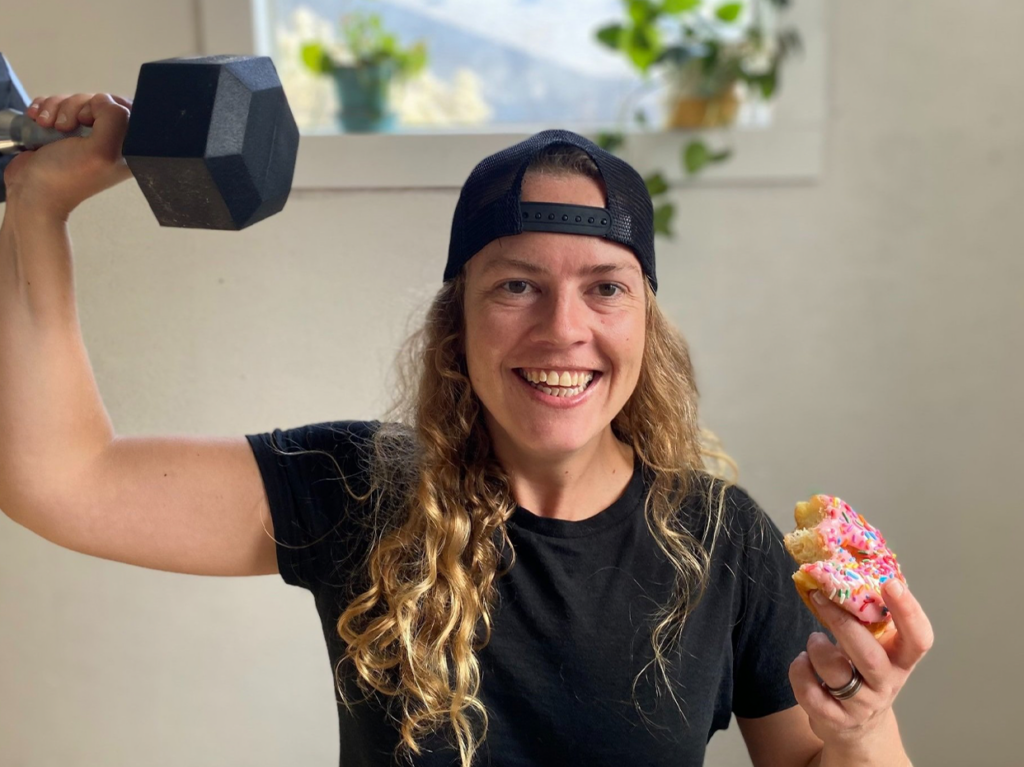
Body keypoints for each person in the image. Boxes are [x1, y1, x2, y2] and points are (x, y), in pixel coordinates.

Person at [0, 94, 932, 767]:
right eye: (517, 284)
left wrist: (862, 725)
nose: (563, 328)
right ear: (459, 323)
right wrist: (39, 208)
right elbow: (61, 477)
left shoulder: (722, 539)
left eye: (605, 287)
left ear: (646, 324)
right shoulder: (358, 489)